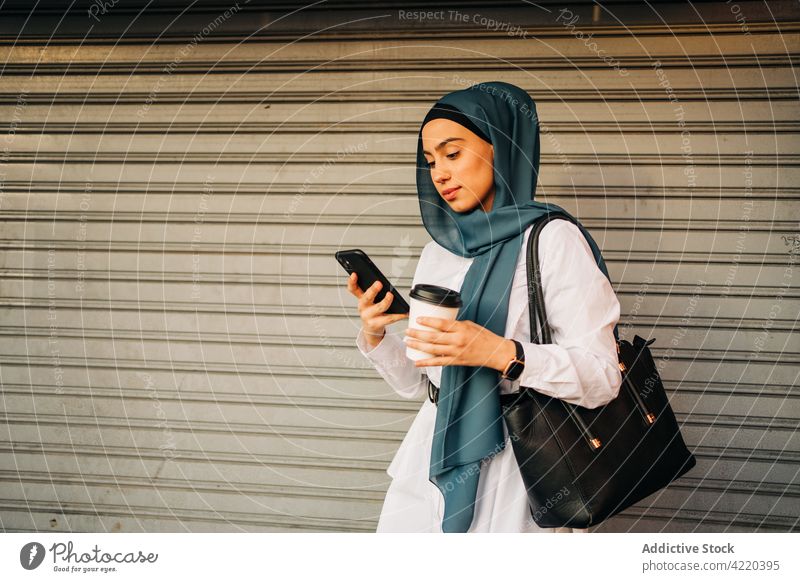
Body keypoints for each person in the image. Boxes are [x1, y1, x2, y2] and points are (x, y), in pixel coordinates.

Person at [346, 81, 622, 533]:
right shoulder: (441, 250)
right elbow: (421, 384)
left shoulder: (552, 240)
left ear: (502, 147)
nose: (438, 173)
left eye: (452, 154)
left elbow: (603, 377)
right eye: (431, 160)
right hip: (430, 458)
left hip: (523, 466)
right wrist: (377, 336)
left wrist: (500, 353)